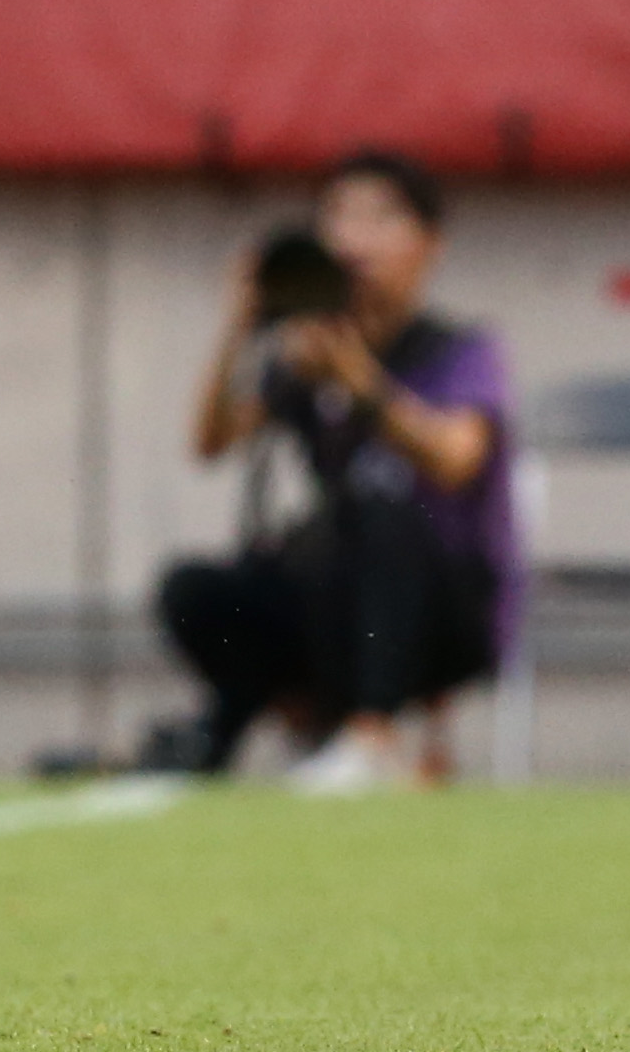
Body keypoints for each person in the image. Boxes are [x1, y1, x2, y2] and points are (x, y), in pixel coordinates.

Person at [160, 150, 515, 794]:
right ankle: (293, 727)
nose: (355, 236)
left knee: (382, 507)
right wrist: (239, 329)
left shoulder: (459, 349)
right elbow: (211, 442)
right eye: (339, 216)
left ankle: (375, 735)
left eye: (380, 218)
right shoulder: (309, 352)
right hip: (340, 601)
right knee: (196, 591)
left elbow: (456, 459)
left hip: (448, 607)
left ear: (428, 244)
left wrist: (360, 384)